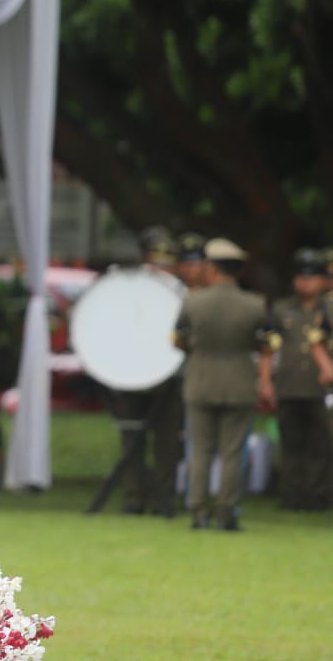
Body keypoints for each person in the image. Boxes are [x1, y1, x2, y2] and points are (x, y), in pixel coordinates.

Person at [173, 238, 275, 531]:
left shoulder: (193, 301)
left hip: (200, 380)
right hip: (240, 381)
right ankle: (227, 512)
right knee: (232, 452)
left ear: (211, 268)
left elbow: (179, 338)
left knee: (200, 449)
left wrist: (196, 349)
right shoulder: (255, 303)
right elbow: (267, 344)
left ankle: (198, 511)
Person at [112, 226, 186, 516]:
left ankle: (162, 497)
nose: (159, 269)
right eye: (154, 262)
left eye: (165, 263)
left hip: (170, 376)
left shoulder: (181, 292)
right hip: (131, 374)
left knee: (167, 441)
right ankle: (134, 497)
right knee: (132, 438)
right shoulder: (129, 288)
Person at [268, 248, 331, 510]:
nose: (306, 282)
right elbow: (268, 349)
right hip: (289, 385)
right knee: (291, 444)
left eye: (312, 277)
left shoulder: (329, 307)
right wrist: (266, 382)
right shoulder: (281, 309)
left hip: (322, 388)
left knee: (322, 445)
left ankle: (318, 496)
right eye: (301, 277)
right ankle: (291, 496)